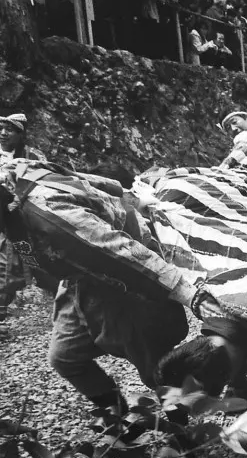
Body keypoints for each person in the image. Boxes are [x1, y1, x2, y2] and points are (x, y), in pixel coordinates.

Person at [0, 160, 194, 415]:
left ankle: (185, 431)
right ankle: (117, 416)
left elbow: (119, 251)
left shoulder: (50, 213)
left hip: (123, 277)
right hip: (78, 277)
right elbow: (11, 264)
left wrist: (189, 294)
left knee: (153, 365)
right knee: (65, 357)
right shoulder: (11, 180)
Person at [0, 114, 46, 320]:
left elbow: (41, 183)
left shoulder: (32, 157)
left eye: (9, 130)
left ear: (21, 134)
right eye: (1, 128)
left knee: (14, 266)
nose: (2, 133)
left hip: (19, 217)